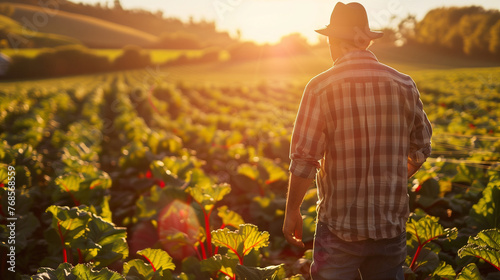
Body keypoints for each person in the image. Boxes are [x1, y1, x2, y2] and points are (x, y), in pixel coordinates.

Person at [282, 2, 432, 280]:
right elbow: (421, 148)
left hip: (339, 227)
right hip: (391, 225)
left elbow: (304, 160)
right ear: (366, 41)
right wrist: (395, 176)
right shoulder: (404, 84)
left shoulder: (320, 87)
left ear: (333, 42)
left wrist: (292, 210)